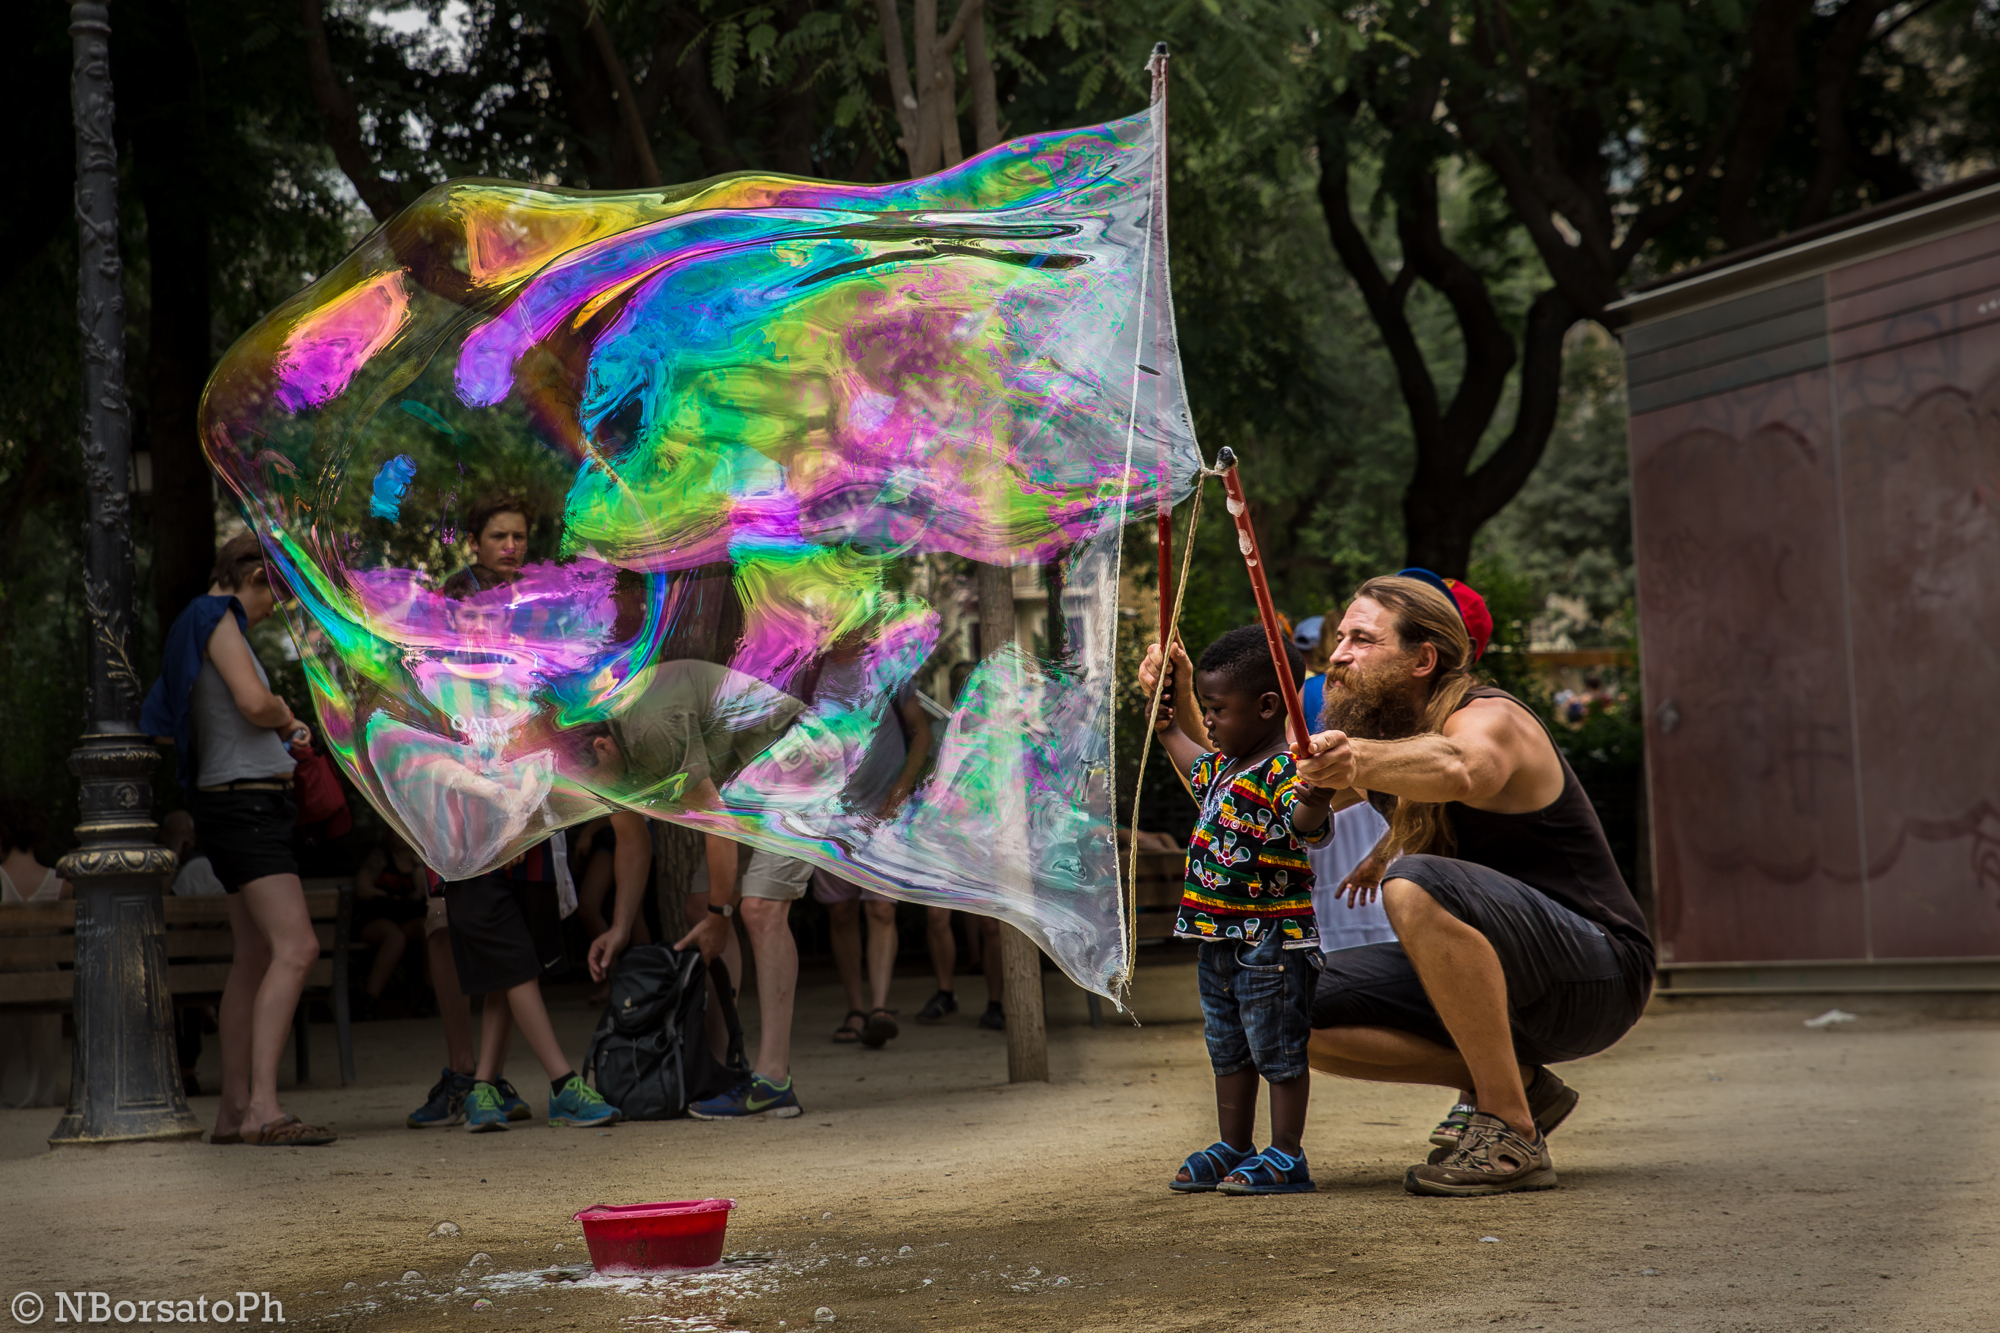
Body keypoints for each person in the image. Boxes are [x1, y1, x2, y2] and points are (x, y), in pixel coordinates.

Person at [1295, 570, 1655, 1197]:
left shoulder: (1490, 716)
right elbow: (1252, 805)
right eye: (1340, 638)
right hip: (1507, 987)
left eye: (1361, 638)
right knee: (1283, 1008)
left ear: (1422, 659)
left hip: (1598, 975)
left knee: (1411, 882)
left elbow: (1463, 768)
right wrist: (1178, 717)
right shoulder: (1385, 745)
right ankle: (1517, 1086)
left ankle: (1510, 1127)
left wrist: (1355, 758)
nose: (1338, 654)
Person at [140, 533, 334, 1146]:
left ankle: (231, 1112)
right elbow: (253, 704)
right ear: (253, 577)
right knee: (298, 948)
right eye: (275, 592)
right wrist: (284, 713)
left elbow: (169, 726)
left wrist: (270, 737)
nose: (274, 606)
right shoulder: (213, 614)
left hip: (228, 807)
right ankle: (264, 1110)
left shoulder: (190, 629)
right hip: (246, 809)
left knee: (253, 959)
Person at [1137, 625, 1334, 1196]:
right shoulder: (1224, 767)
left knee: (1277, 1046)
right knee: (1228, 1044)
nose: (1212, 721)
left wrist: (1317, 795)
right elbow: (1183, 747)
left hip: (1272, 942)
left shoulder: (1284, 772)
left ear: (1268, 707)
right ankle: (1236, 1145)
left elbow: (1307, 825)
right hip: (1219, 937)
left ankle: (1287, 1154)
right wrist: (1167, 716)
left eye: (1218, 709)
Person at [582, 657, 812, 1118]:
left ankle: (772, 1082)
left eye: (593, 785)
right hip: (750, 781)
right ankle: (721, 1068)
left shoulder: (649, 729)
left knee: (759, 908)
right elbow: (631, 840)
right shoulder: (609, 745)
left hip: (801, 756)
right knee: (697, 907)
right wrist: (621, 928)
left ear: (602, 747)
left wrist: (720, 916)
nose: (597, 797)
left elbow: (719, 827)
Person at [811, 660, 932, 1049]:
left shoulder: (888, 670)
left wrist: (901, 789)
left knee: (881, 909)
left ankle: (879, 1009)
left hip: (883, 813)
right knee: (841, 911)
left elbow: (923, 733)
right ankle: (856, 1008)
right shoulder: (810, 672)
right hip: (831, 815)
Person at [0, 799, 71, 1108]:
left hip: (6, 978)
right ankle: (41, 1090)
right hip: (49, 980)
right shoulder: (61, 882)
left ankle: (10, 1091)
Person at [351, 831, 430, 1021]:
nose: (402, 834)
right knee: (394, 938)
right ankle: (369, 1001)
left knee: (430, 930)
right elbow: (362, 888)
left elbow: (427, 893)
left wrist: (418, 865)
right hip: (377, 917)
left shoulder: (419, 863)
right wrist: (387, 897)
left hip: (407, 918)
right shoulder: (381, 858)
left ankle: (428, 998)